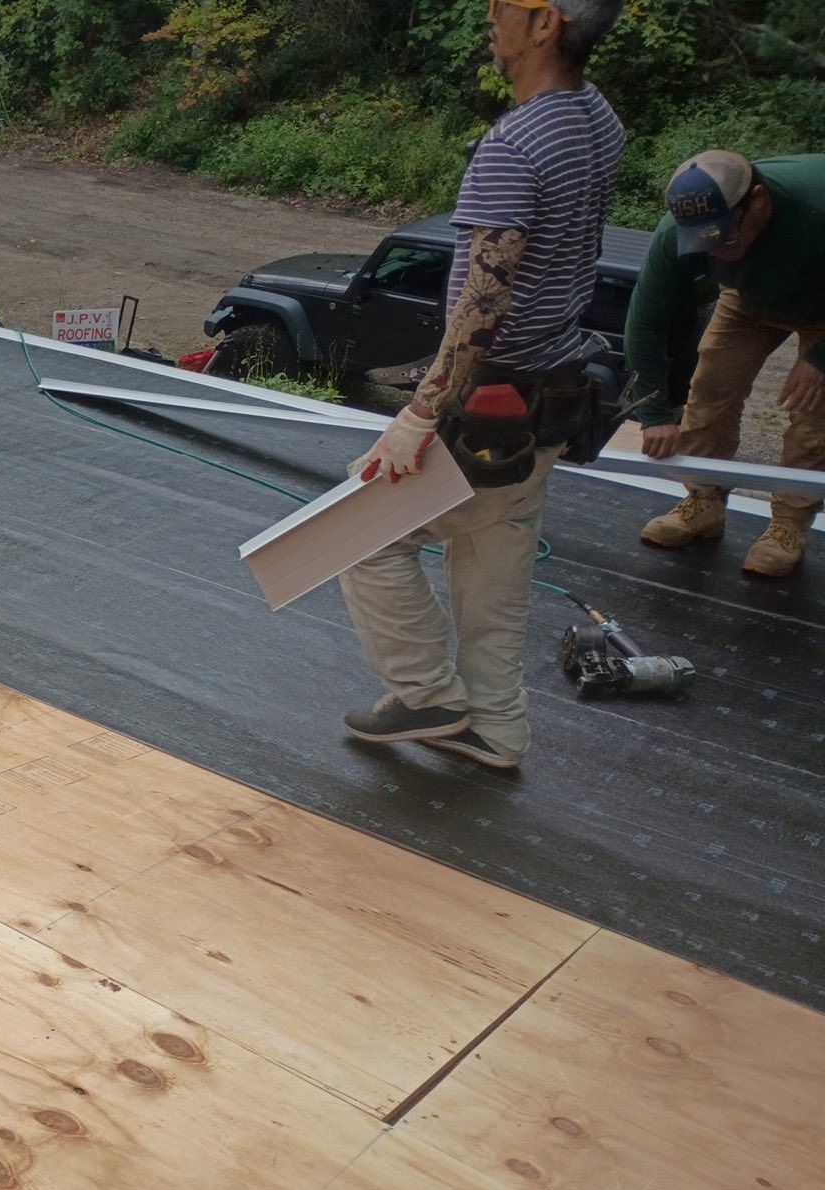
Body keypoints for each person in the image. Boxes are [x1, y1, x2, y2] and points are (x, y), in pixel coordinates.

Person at [334, 0, 625, 772]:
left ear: (546, 24)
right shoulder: (598, 120)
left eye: (504, 6)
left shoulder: (515, 145)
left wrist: (420, 415)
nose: (489, 16)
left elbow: (483, 302)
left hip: (492, 398)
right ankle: (495, 729)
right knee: (493, 557)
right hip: (554, 394)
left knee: (361, 534)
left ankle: (427, 694)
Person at [625, 151, 825, 578]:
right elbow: (645, 324)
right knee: (711, 384)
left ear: (758, 200)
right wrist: (654, 414)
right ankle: (704, 501)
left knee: (815, 411)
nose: (716, 249)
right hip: (747, 297)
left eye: (725, 238)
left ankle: (789, 525)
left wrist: (819, 358)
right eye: (705, 241)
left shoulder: (815, 209)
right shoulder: (674, 233)